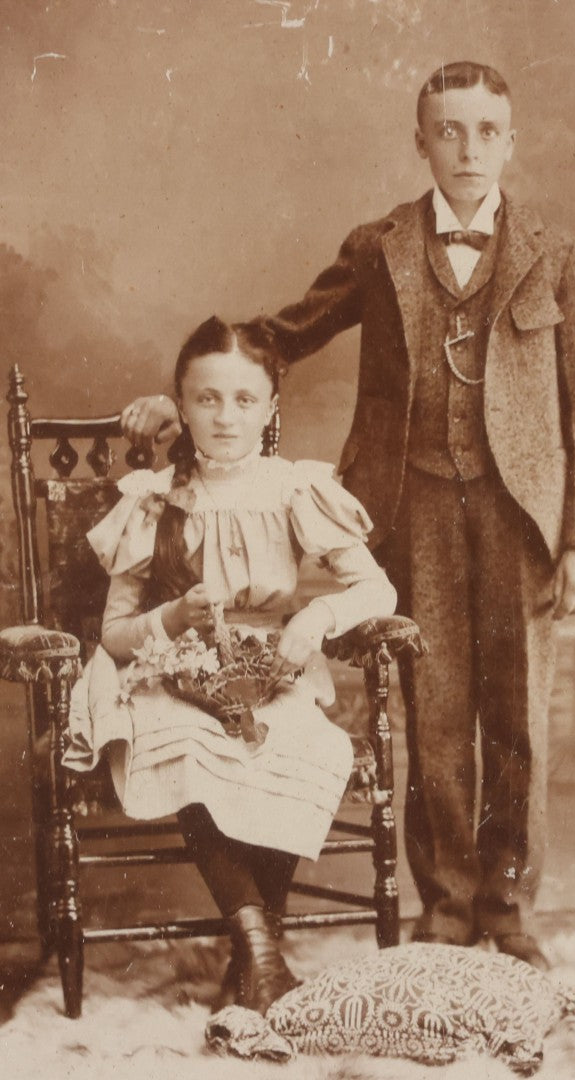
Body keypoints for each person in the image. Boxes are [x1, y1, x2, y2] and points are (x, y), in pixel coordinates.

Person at [121, 62, 575, 970]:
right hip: (410, 503)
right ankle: (449, 905)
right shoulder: (379, 245)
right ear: (420, 140)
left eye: (486, 130)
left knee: (517, 716)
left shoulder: (557, 249)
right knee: (433, 713)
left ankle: (508, 906)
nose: (468, 149)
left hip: (522, 515)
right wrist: (181, 393)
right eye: (449, 130)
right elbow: (281, 333)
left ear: (510, 138)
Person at [64, 316, 397, 1015]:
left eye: (245, 400)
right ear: (181, 405)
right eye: (207, 399)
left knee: (292, 746)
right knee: (185, 748)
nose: (225, 416)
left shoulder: (293, 488)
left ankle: (251, 960)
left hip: (269, 667)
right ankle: (265, 956)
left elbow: (376, 589)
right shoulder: (154, 498)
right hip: (167, 673)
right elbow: (117, 634)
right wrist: (172, 619)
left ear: (271, 407)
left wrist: (314, 618)